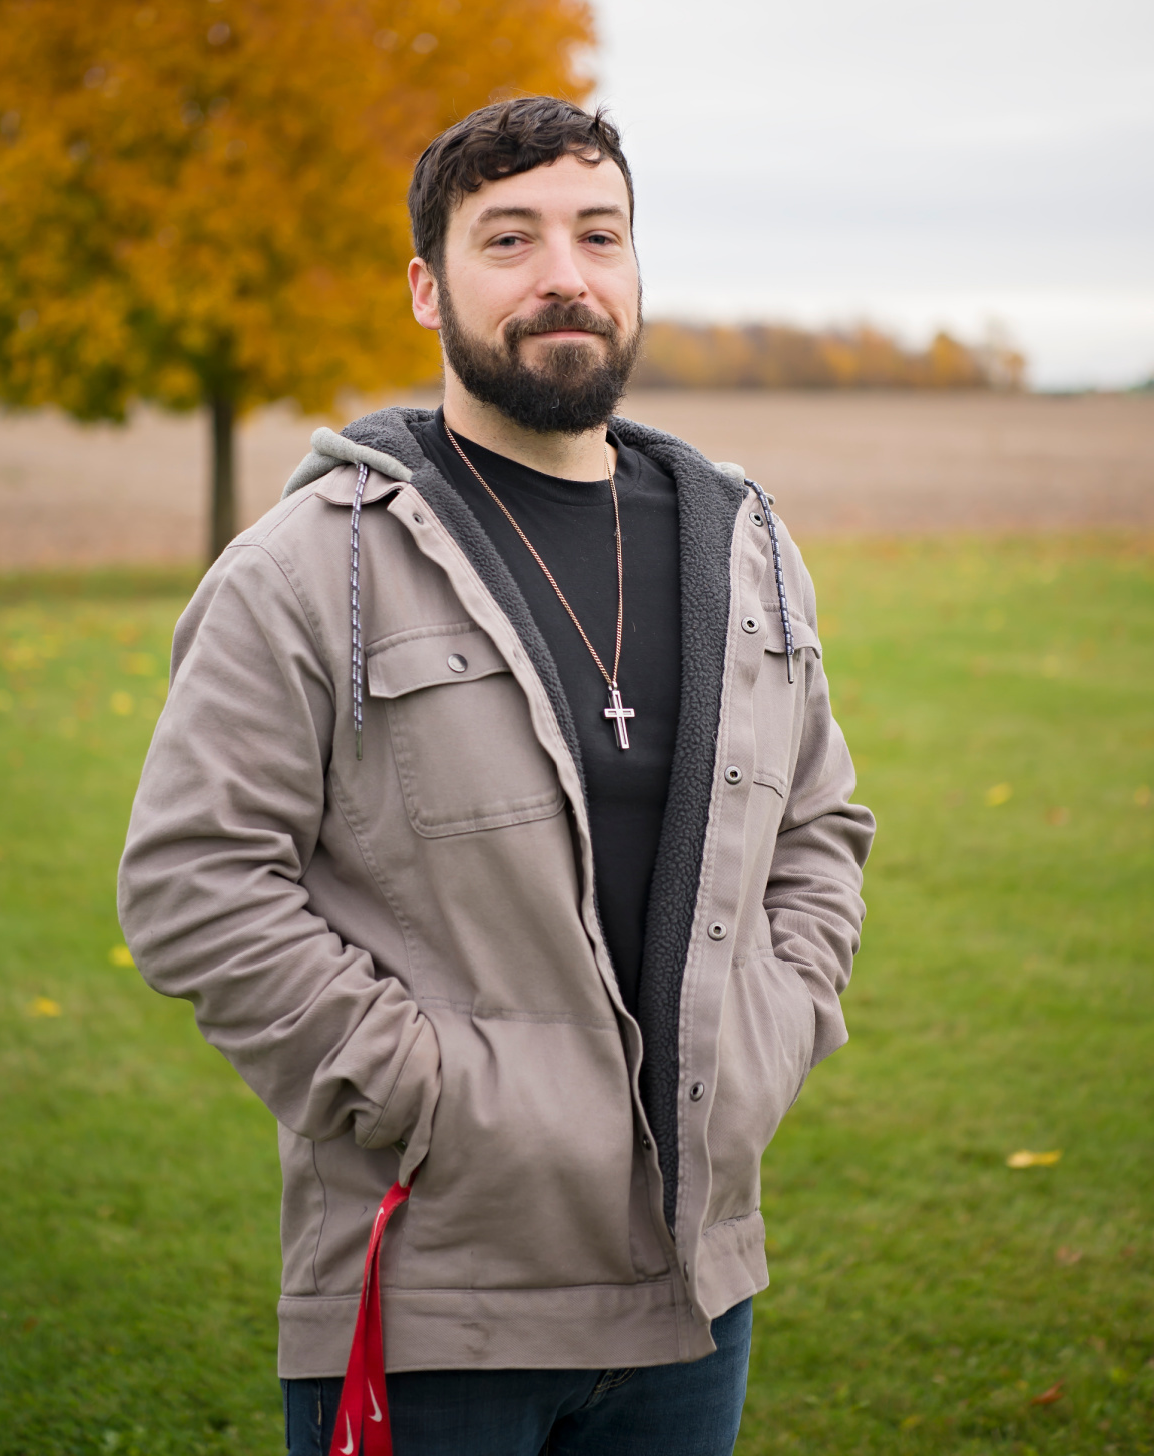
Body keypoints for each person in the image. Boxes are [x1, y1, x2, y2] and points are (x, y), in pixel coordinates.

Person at [119, 96, 874, 1456]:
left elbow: (821, 824)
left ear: (637, 269)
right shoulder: (310, 569)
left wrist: (776, 1023)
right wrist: (431, 1093)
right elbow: (193, 884)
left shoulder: (747, 548)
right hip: (434, 1296)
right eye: (508, 238)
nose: (564, 274)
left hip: (697, 1297)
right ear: (428, 286)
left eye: (599, 234)